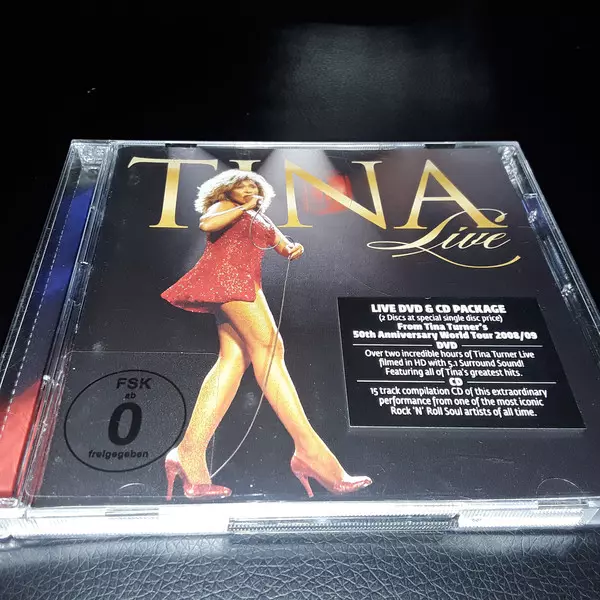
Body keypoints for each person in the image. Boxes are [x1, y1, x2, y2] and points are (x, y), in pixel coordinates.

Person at [161, 169, 372, 500]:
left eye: (254, 187)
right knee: (270, 350)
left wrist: (292, 249)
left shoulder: (257, 217)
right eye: (243, 186)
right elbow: (207, 224)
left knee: (233, 359)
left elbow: (281, 244)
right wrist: (243, 208)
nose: (250, 190)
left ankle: (188, 452)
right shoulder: (224, 207)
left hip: (247, 283)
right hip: (229, 280)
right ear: (227, 189)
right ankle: (310, 451)